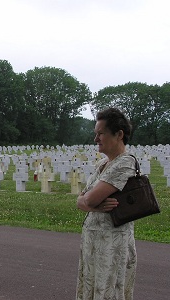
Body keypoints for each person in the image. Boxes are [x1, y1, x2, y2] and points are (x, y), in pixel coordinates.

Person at [76, 108, 137, 300]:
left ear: (119, 135)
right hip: (93, 242)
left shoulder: (125, 163)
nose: (96, 139)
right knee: (91, 290)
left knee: (108, 292)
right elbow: (80, 201)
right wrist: (91, 205)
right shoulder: (102, 165)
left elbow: (89, 199)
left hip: (111, 244)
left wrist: (89, 203)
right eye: (96, 134)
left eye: (100, 133)